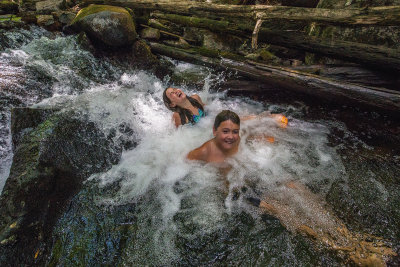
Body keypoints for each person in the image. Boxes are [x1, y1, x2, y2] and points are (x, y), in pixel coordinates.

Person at [187, 110, 396, 265]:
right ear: (214, 131)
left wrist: (268, 121)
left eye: (234, 131)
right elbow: (180, 163)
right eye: (225, 131)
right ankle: (346, 250)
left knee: (296, 187)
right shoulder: (204, 151)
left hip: (251, 178)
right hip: (237, 193)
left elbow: (256, 124)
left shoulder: (240, 135)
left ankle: (353, 238)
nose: (231, 136)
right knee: (283, 210)